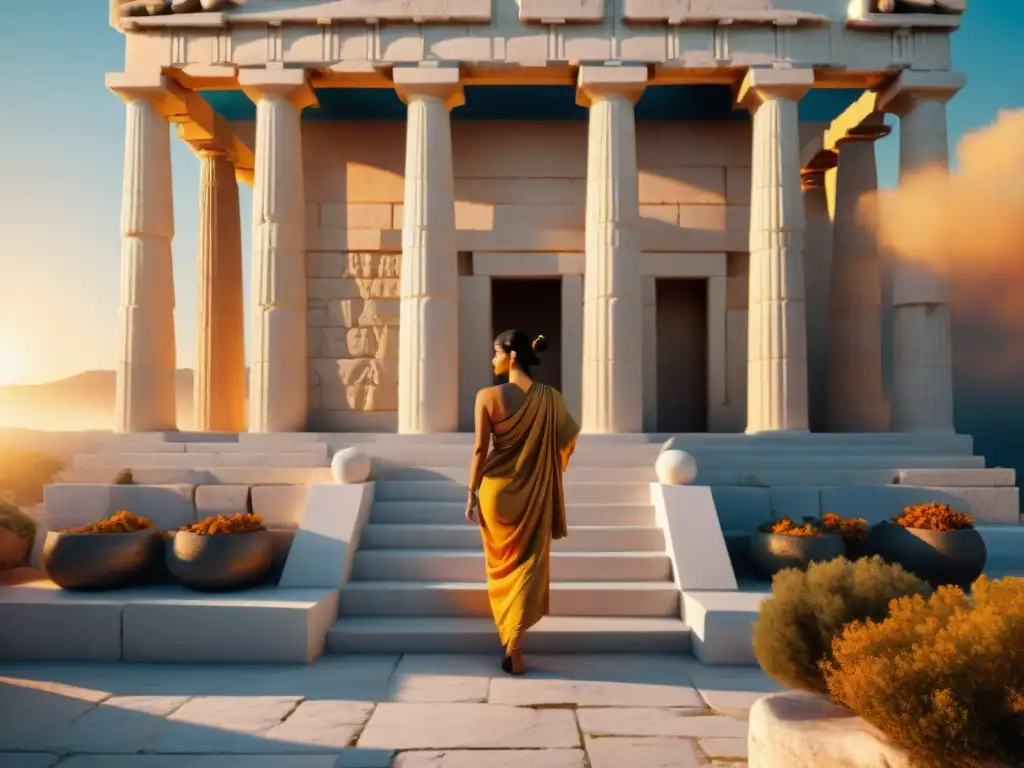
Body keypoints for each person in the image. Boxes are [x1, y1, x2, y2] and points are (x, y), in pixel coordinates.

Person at [464, 329, 580, 675]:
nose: (493, 359)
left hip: (496, 494)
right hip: (534, 492)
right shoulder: (553, 399)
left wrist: (470, 492)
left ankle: (509, 639)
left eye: (496, 353)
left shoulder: (487, 396)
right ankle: (515, 646)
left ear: (511, 356)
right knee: (528, 565)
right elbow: (567, 441)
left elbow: (479, 450)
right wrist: (542, 468)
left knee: (501, 566)